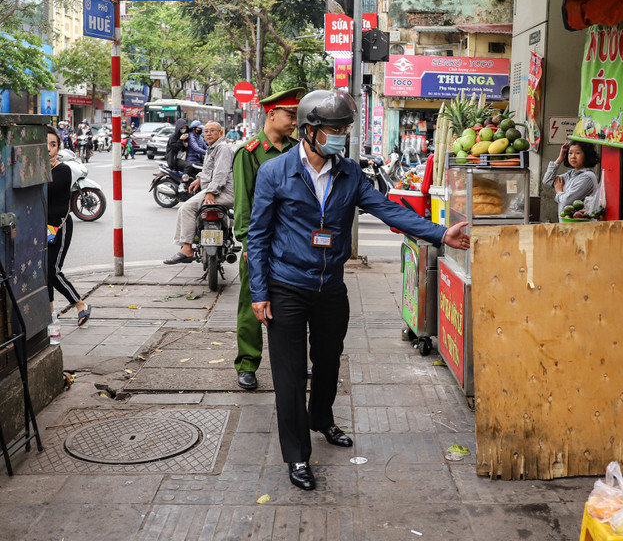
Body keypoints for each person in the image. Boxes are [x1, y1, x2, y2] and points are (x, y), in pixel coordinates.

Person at [245, 90, 470, 491]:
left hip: (330, 286)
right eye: (335, 129)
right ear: (309, 131)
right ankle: (296, 455)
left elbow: (389, 209)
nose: (341, 137)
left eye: (345, 129)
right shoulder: (275, 172)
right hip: (286, 287)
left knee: (329, 360)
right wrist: (259, 293)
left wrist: (439, 234)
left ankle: (322, 419)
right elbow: (258, 237)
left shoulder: (349, 173)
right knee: (290, 374)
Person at [232, 87, 302, 391]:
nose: (295, 122)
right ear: (271, 115)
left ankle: (293, 363)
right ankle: (247, 363)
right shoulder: (248, 154)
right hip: (260, 243)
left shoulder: (297, 150)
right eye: (290, 115)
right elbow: (243, 205)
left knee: (292, 305)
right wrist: (248, 243)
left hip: (292, 243)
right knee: (252, 304)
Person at [163, 121, 234, 264]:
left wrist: (211, 193)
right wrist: (199, 180)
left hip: (222, 192)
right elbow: (208, 169)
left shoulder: (222, 148)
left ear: (221, 133)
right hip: (215, 190)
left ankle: (187, 249)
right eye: (206, 131)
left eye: (212, 131)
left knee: (186, 209)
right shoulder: (212, 148)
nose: (208, 134)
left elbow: (221, 173)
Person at [45, 127, 92, 326]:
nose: (48, 149)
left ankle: (80, 305)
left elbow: (46, 188)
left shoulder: (63, 170)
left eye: (53, 145)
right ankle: (50, 314)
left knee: (52, 270)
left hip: (58, 228)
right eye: (44, 144)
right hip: (39, 230)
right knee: (43, 272)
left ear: (58, 149)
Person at [542, 140, 600, 210]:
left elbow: (567, 201)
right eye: (570, 153)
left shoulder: (587, 177)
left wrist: (559, 192)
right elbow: (547, 181)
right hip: (565, 220)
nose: (573, 156)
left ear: (587, 155)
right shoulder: (571, 174)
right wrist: (559, 159)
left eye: (577, 153)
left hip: (580, 221)